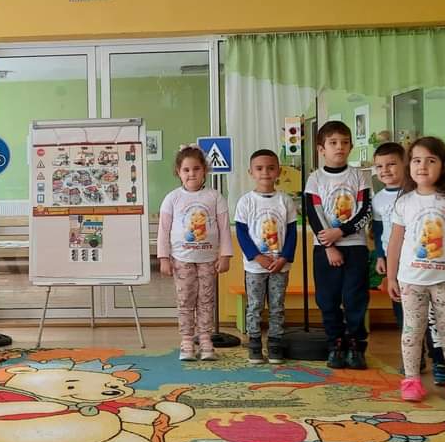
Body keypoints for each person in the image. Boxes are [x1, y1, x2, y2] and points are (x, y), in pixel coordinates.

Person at [385, 137, 445, 404]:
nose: (422, 166)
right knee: (412, 331)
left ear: (443, 165)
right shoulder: (404, 202)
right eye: (416, 160)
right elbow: (395, 241)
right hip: (411, 280)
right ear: (409, 166)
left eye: (430, 160)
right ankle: (411, 380)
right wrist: (390, 277)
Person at [372, 142, 445, 382]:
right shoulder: (378, 199)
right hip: (397, 265)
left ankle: (439, 360)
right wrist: (380, 256)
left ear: (405, 165)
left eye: (391, 164)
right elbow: (379, 231)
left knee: (432, 317)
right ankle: (415, 360)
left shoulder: (416, 193)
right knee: (405, 315)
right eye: (379, 166)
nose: (385, 170)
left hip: (425, 264)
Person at [304, 120, 372, 370]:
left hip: (355, 246)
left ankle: (355, 345)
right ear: (321, 149)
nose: (339, 147)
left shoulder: (359, 176)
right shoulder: (315, 179)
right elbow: (313, 214)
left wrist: (340, 232)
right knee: (327, 299)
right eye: (333, 143)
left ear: (351, 146)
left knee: (355, 298)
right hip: (325, 249)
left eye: (344, 142)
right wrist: (329, 246)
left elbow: (365, 210)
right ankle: (336, 344)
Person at [158, 146, 232, 361]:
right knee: (185, 300)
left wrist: (225, 255)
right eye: (186, 170)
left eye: (196, 169)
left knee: (206, 300)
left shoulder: (215, 197)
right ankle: (187, 341)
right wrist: (163, 258)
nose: (192, 174)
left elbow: (224, 228)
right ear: (178, 172)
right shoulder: (172, 198)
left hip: (208, 260)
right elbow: (163, 230)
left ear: (205, 170)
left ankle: (205, 339)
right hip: (182, 260)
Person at [234, 149, 295, 364]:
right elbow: (242, 234)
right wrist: (257, 257)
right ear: (251, 172)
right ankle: (254, 343)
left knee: (277, 305)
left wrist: (284, 258)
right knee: (255, 305)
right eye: (259, 168)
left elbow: (292, 233)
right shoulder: (246, 202)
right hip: (255, 268)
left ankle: (275, 343)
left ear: (278, 171)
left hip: (280, 266)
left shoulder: (285, 201)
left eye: (270, 168)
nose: (265, 173)